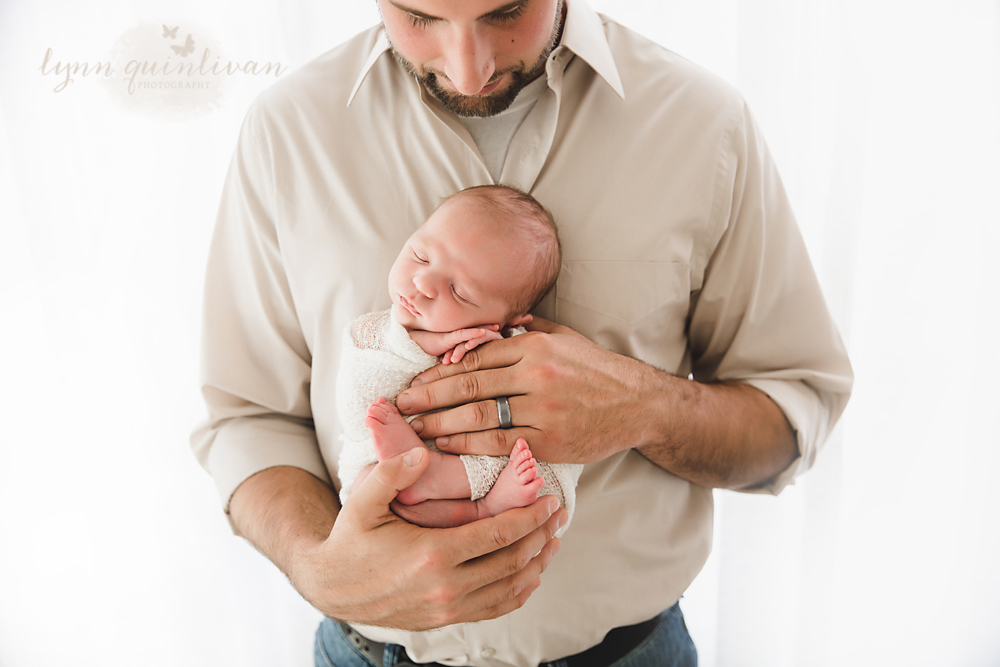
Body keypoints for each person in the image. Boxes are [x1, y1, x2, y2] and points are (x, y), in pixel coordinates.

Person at [190, 1, 854, 665]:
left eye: (507, 11)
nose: (469, 68)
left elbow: (792, 407)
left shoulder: (702, 125)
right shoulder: (289, 131)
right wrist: (317, 565)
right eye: (419, 17)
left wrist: (645, 408)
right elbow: (249, 418)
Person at [337, 184, 583, 531]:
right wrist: (425, 344)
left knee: (536, 466)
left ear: (507, 322)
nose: (423, 282)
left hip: (478, 502)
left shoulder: (518, 350)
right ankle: (441, 485)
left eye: (459, 291)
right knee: (364, 487)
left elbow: (554, 424)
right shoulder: (376, 335)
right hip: (390, 491)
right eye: (421, 255)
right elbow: (359, 382)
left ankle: (478, 503)